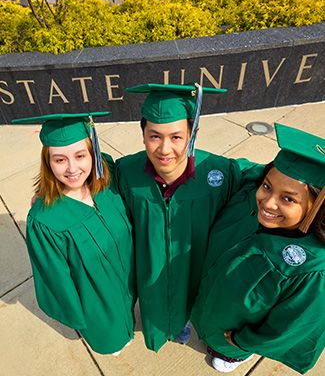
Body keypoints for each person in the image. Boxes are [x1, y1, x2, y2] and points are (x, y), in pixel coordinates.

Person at [116, 83, 262, 352]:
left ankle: (183, 323)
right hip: (152, 269)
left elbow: (269, 179)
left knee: (189, 297)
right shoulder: (126, 171)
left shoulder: (219, 171)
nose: (164, 149)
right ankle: (165, 327)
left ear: (192, 133)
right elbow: (92, 180)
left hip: (194, 263)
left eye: (176, 137)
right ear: (143, 134)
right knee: (156, 302)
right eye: (154, 136)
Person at [191, 123, 325, 374]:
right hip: (208, 297)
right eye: (267, 186)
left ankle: (231, 355)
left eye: (288, 199)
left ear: (317, 206)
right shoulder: (251, 194)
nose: (268, 202)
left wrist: (243, 342)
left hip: (232, 332)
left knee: (223, 347)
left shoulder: (314, 270)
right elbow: (241, 169)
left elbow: (292, 326)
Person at [12, 112, 135, 355]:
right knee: (111, 340)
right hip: (96, 302)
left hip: (126, 281)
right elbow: (55, 279)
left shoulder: (106, 178)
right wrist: (79, 316)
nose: (72, 169)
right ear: (48, 163)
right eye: (59, 160)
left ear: (94, 154)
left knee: (127, 310)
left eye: (80, 155)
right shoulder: (45, 221)